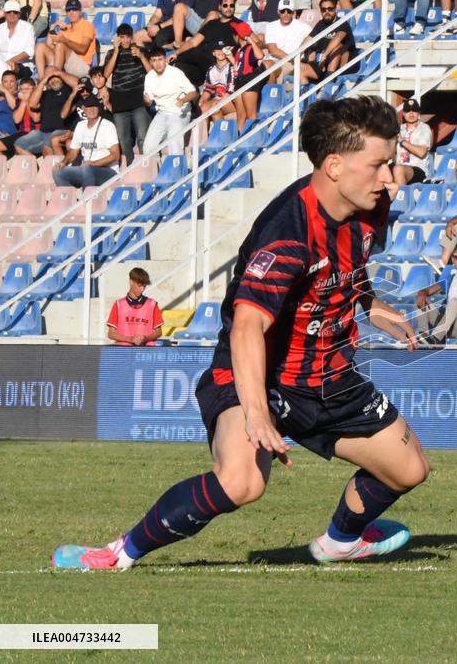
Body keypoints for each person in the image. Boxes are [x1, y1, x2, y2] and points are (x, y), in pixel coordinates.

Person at [52, 95, 430, 571]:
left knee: (409, 469)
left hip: (328, 376)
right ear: (334, 166)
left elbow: (341, 266)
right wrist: (256, 412)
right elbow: (249, 326)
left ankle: (340, 541)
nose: (387, 177)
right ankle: (116, 554)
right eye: (379, 165)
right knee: (242, 482)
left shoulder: (369, 201)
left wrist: (369, 303)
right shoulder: (287, 233)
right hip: (260, 378)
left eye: (391, 164)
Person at [414, 243, 457, 345]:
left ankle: (436, 339)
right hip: (448, 327)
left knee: (455, 301)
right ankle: (423, 336)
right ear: (453, 259)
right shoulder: (450, 278)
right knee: (421, 299)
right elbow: (427, 291)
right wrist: (421, 293)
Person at [171, 0, 243, 88]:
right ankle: (194, 91)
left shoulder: (239, 25)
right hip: (203, 59)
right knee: (178, 61)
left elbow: (253, 41)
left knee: (197, 54)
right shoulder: (212, 24)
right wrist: (176, 53)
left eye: (231, 6)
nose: (228, 8)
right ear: (219, 7)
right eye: (225, 5)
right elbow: (193, 42)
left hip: (219, 62)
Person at [52, 96, 120, 187]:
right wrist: (64, 162)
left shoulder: (108, 126)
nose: (92, 109)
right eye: (88, 107)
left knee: (86, 169)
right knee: (57, 171)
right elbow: (73, 151)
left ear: (98, 108)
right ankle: (71, 198)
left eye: (94, 106)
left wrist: (93, 163)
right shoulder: (80, 125)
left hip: (108, 171)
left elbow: (115, 155)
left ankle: (87, 199)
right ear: (83, 108)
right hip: (86, 169)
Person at [142, 47, 198, 156]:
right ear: (150, 62)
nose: (158, 63)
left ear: (165, 59)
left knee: (174, 143)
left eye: (160, 59)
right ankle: (156, 171)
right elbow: (148, 101)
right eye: (154, 60)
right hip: (162, 113)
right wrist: (147, 101)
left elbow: (193, 92)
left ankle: (176, 171)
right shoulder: (149, 77)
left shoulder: (175, 73)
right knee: (148, 147)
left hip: (179, 113)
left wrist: (183, 100)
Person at [14, 67, 75, 155]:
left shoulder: (68, 90)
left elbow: (77, 83)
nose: (52, 79)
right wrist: (43, 81)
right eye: (49, 78)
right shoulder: (44, 94)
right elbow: (32, 104)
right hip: (43, 133)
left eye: (55, 76)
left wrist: (58, 73)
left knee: (47, 146)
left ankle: (58, 168)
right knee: (19, 145)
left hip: (62, 130)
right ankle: (35, 167)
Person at [34, 0, 95, 78]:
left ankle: (56, 78)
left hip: (81, 66)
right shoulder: (66, 29)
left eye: (74, 10)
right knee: (40, 46)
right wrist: (53, 27)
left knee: (60, 45)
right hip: (64, 64)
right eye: (68, 10)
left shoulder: (87, 25)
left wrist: (64, 40)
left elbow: (82, 49)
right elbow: (48, 46)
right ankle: (42, 81)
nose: (71, 13)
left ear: (80, 11)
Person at [105, 268, 164, 346]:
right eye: (139, 286)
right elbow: (111, 334)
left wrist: (145, 338)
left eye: (144, 286)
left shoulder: (152, 304)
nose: (142, 289)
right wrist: (130, 339)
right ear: (131, 282)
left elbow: (159, 332)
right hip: (123, 352)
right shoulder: (119, 304)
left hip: (145, 352)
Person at [305, 0, 357, 77]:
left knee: (337, 47)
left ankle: (329, 80)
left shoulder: (342, 23)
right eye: (323, 9)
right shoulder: (320, 24)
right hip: (327, 62)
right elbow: (308, 40)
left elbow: (338, 39)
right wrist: (298, 54)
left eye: (330, 9)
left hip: (347, 63)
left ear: (335, 9)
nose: (327, 12)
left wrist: (324, 55)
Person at [263, 0, 311, 82]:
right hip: (277, 60)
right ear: (278, 12)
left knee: (268, 69)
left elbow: (313, 39)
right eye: (282, 11)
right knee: (267, 66)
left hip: (290, 64)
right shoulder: (271, 26)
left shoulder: (303, 27)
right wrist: (294, 61)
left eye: (289, 11)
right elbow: (273, 49)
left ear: (293, 12)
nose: (285, 14)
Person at [231, 22, 265, 131]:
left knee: (251, 115)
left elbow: (260, 56)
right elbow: (238, 67)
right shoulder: (239, 50)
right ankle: (239, 142)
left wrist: (252, 42)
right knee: (240, 116)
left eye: (234, 33)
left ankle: (255, 140)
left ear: (238, 36)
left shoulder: (250, 48)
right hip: (239, 82)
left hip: (249, 81)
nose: (232, 36)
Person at [134, 0, 203, 49]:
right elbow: (158, 14)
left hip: (181, 26)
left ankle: (181, 45)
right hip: (164, 25)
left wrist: (159, 27)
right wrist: (150, 25)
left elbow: (181, 15)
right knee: (137, 36)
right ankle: (146, 65)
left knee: (160, 38)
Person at [392, 98, 431, 185]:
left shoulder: (424, 128)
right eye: (408, 111)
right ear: (403, 113)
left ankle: (402, 197)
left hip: (418, 169)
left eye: (414, 110)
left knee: (398, 169)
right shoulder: (399, 128)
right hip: (400, 166)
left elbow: (421, 153)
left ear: (418, 113)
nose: (411, 113)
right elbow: (393, 154)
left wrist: (402, 141)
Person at [0, 75, 35, 155]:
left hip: (9, 133)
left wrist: (24, 100)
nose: (9, 84)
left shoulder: (18, 98)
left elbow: (35, 118)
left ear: (17, 84)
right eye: (5, 82)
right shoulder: (3, 98)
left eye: (12, 81)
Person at [0, 1, 35, 75]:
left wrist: (11, 61)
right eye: (9, 12)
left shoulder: (27, 28)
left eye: (15, 12)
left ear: (19, 14)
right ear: (4, 14)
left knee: (7, 67)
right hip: (0, 63)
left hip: (21, 66)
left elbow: (30, 51)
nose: (12, 14)